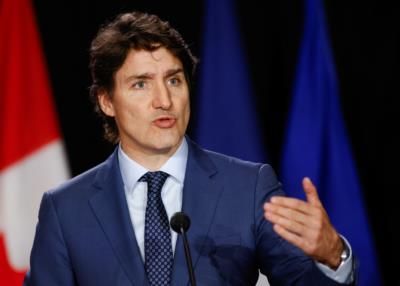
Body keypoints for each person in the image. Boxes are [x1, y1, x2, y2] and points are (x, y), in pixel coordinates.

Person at [24, 11, 355, 286]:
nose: (164, 101)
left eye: (174, 80)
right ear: (107, 100)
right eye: (141, 84)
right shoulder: (65, 209)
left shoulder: (248, 187)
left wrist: (333, 257)